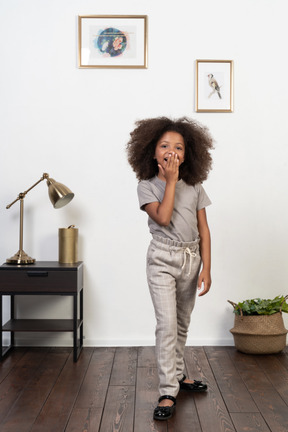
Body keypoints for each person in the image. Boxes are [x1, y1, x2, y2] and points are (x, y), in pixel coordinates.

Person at [126, 116, 213, 421]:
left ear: (188, 154)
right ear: (152, 151)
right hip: (162, 259)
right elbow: (162, 218)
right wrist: (171, 181)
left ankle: (177, 375)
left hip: (191, 260)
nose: (171, 150)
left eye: (178, 147)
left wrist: (207, 268)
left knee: (181, 324)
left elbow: (204, 227)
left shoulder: (194, 185)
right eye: (164, 145)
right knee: (166, 325)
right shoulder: (147, 187)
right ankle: (167, 390)